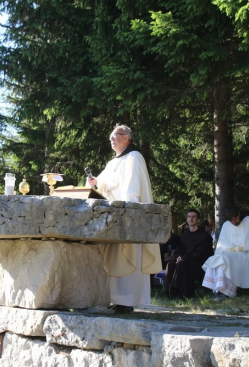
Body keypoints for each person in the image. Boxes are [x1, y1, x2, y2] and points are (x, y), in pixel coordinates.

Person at [86, 124, 162, 313]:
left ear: (126, 137)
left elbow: (133, 184)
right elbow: (104, 187)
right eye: (110, 136)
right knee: (112, 258)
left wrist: (130, 209)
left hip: (126, 215)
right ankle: (113, 298)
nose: (111, 139)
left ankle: (128, 301)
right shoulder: (112, 163)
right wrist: (95, 183)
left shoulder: (134, 157)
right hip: (111, 216)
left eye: (115, 136)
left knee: (128, 255)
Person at [163, 209, 213, 299]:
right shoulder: (184, 236)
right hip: (184, 261)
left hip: (198, 264)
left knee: (182, 264)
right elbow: (179, 251)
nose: (191, 219)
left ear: (198, 220)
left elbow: (202, 254)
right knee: (170, 265)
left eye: (193, 217)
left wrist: (184, 259)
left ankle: (181, 294)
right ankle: (168, 292)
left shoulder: (205, 236)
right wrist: (178, 257)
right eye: (189, 217)